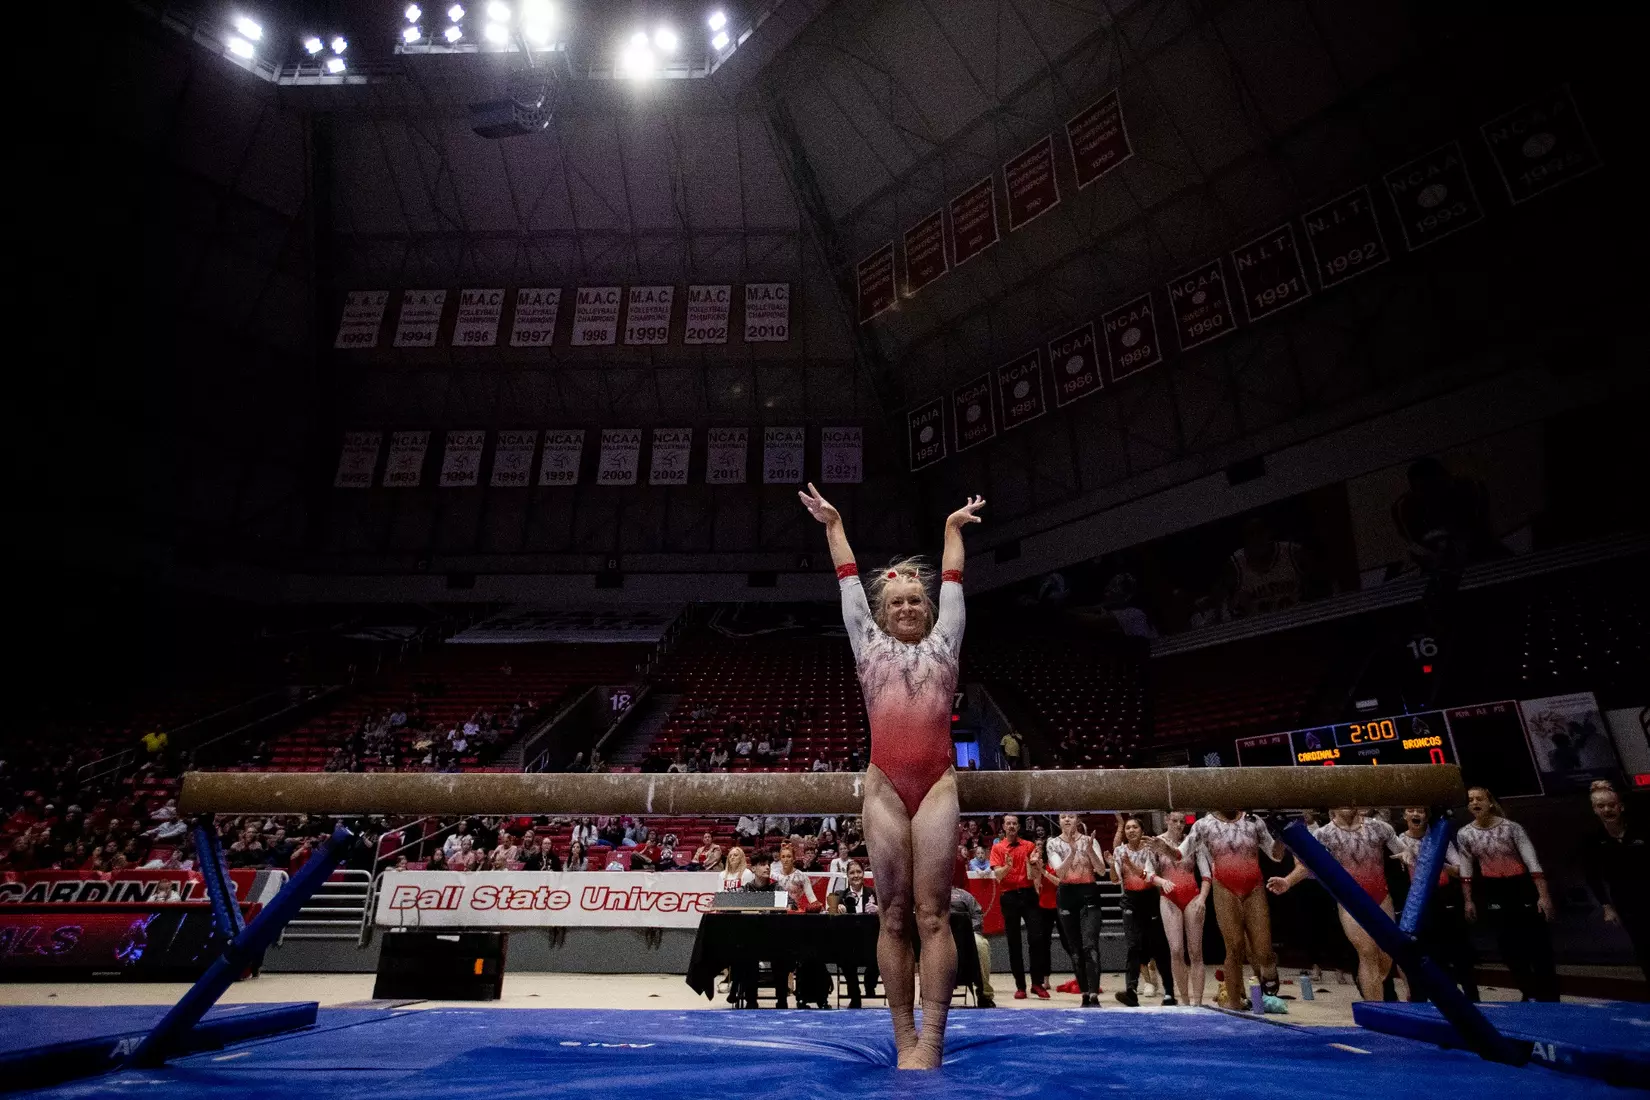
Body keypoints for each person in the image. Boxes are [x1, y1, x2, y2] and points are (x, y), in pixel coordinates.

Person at [802, 481, 983, 1069]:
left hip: (935, 785)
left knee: (934, 913)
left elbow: (954, 583)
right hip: (883, 785)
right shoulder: (867, 644)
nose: (907, 606)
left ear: (929, 611)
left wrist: (952, 532)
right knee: (894, 913)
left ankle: (931, 1040)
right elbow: (848, 579)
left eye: (916, 601)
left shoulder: (946, 644)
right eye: (897, 602)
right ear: (881, 614)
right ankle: (902, 1034)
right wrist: (833, 525)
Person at [1267, 807, 1408, 1001]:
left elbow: (1403, 851)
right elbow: (1307, 866)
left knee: (1385, 957)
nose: (1347, 805)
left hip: (1380, 896)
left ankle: (1375, 994)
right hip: (1350, 900)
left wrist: (1408, 856)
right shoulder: (1324, 834)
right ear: (1331, 806)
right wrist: (1288, 881)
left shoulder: (1379, 828)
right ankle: (1375, 1007)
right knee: (1367, 953)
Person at [1154, 809, 1283, 1009]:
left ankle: (1268, 967)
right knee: (1234, 948)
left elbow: (1276, 856)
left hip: (1253, 887)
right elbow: (1180, 855)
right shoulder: (1204, 825)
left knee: (1262, 951)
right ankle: (1234, 1003)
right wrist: (1165, 849)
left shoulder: (1253, 821)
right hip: (1224, 886)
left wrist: (1282, 836)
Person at [1456, 786, 1558, 1001]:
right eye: (1471, 800)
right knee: (1508, 946)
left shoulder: (1512, 828)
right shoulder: (1465, 834)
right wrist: (1468, 901)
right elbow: (1465, 869)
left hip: (1520, 886)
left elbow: (1532, 861)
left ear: (1490, 802)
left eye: (1479, 799)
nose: (1475, 803)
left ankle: (1549, 994)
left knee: (1538, 943)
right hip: (1493, 890)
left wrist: (1543, 896)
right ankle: (1528, 991)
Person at [1393, 806, 1478, 1001]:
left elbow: (1459, 869)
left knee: (1457, 951)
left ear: (1427, 815)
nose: (1416, 815)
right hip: (1416, 902)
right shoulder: (1399, 840)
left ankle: (1471, 998)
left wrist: (1436, 863)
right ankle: (1419, 998)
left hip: (1443, 898)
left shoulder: (1438, 838)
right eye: (1411, 810)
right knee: (1418, 953)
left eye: (1421, 811)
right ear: (1404, 815)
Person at [1581, 780, 1649, 982]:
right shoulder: (1593, 841)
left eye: (1611, 805)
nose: (1607, 810)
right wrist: (1606, 906)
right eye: (1601, 806)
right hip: (1626, 901)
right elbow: (1592, 876)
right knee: (1644, 947)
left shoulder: (1642, 831)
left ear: (1621, 806)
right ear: (1595, 810)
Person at [1113, 816, 1176, 1006]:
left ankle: (1169, 993)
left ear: (1142, 830)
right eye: (1128, 828)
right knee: (1133, 946)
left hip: (1150, 899)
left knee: (1159, 947)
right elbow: (1115, 879)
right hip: (1130, 901)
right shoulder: (1119, 851)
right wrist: (1111, 864)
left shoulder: (1149, 848)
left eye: (1135, 827)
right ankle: (1131, 991)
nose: (1131, 830)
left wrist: (1131, 866)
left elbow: (1149, 876)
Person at [1046, 813, 1108, 1005]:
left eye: (1071, 816)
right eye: (1063, 817)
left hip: (1088, 892)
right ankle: (1084, 993)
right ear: (1059, 821)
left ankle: (1094, 993)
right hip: (1067, 895)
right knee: (1075, 949)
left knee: (1090, 945)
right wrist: (1072, 852)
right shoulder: (1053, 843)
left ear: (1077, 820)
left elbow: (1101, 870)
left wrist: (1089, 851)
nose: (1067, 820)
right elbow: (1060, 872)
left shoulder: (1090, 841)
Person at [990, 814, 1049, 1000]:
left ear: (1018, 826)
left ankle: (1037, 983)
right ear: (1004, 827)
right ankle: (1020, 986)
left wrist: (1031, 864)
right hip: (1008, 896)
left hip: (1028, 893)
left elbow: (1032, 876)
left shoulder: (1029, 846)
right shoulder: (997, 847)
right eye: (1008, 823)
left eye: (1014, 823)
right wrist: (1007, 867)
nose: (1011, 826)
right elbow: (998, 875)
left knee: (1037, 938)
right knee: (1013, 942)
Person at [1154, 813, 1210, 1006]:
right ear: (1166, 820)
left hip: (1193, 896)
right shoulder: (1157, 843)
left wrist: (1202, 899)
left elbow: (1206, 874)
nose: (1178, 825)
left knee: (1195, 952)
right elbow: (1148, 873)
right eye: (1174, 821)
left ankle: (1199, 1003)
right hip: (1169, 898)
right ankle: (1185, 1002)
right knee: (1176, 950)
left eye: (1182, 822)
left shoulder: (1193, 841)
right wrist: (1162, 881)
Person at [1215, 518, 1310, 619]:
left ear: (1270, 533)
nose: (1257, 539)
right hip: (1258, 627)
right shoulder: (1235, 566)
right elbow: (1220, 603)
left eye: (1260, 532)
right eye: (1251, 534)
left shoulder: (1293, 553)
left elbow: (1318, 586)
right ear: (1245, 539)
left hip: (1297, 619)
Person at [837, 861, 881, 1008]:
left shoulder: (874, 893)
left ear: (863, 873)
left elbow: (888, 913)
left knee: (882, 954)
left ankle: (870, 984)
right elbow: (830, 914)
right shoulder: (840, 895)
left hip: (870, 941)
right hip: (849, 943)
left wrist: (878, 910)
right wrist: (837, 907)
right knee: (844, 959)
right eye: (852, 873)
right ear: (847, 876)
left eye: (858, 872)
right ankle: (855, 996)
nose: (855, 875)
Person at [949, 885, 995, 1008]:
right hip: (938, 938)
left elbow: (976, 915)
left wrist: (970, 931)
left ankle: (985, 994)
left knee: (981, 944)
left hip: (966, 936)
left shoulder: (964, 895)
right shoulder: (928, 895)